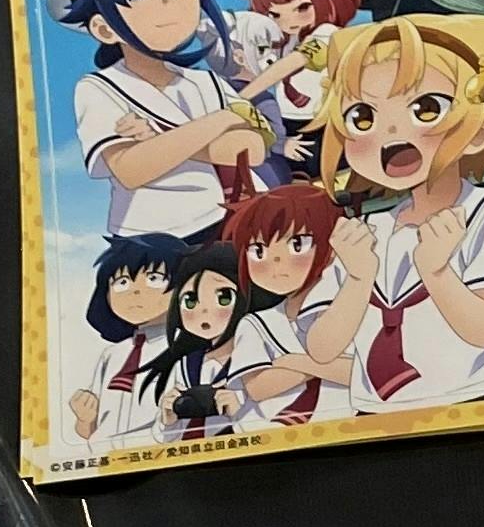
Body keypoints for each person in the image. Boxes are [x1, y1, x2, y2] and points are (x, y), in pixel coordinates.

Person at [300, 14, 484, 412]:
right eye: (362, 118)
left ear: (478, 131)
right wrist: (358, 278)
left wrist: (438, 272)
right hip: (379, 411)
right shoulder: (368, 229)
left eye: (426, 109)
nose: (390, 133)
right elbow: (322, 347)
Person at [49, 0, 271, 242]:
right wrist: (221, 120)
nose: (170, 6)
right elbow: (131, 169)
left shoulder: (206, 82)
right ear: (103, 28)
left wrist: (158, 140)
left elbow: (251, 150)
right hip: (150, 241)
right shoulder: (98, 88)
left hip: (223, 221)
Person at [215, 185, 351, 428]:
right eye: (258, 250)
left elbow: (362, 372)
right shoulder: (257, 323)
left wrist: (295, 362)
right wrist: (328, 365)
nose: (275, 262)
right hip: (274, 434)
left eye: (297, 244)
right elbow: (258, 387)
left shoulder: (348, 308)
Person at [230, 0, 363, 178]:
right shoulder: (286, 40)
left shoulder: (326, 33)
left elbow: (294, 62)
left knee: (332, 176)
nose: (289, 21)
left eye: (302, 8)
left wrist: (241, 97)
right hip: (289, 123)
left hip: (324, 123)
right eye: (275, 14)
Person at [66, 235, 187, 444]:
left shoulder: (184, 346)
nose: (135, 291)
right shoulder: (112, 354)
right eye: (122, 282)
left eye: (154, 278)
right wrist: (85, 420)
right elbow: (89, 432)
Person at [158, 245, 244, 434]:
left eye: (224, 298)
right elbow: (165, 439)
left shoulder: (253, 361)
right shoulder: (184, 365)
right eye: (190, 301)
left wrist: (240, 414)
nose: (204, 311)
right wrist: (168, 421)